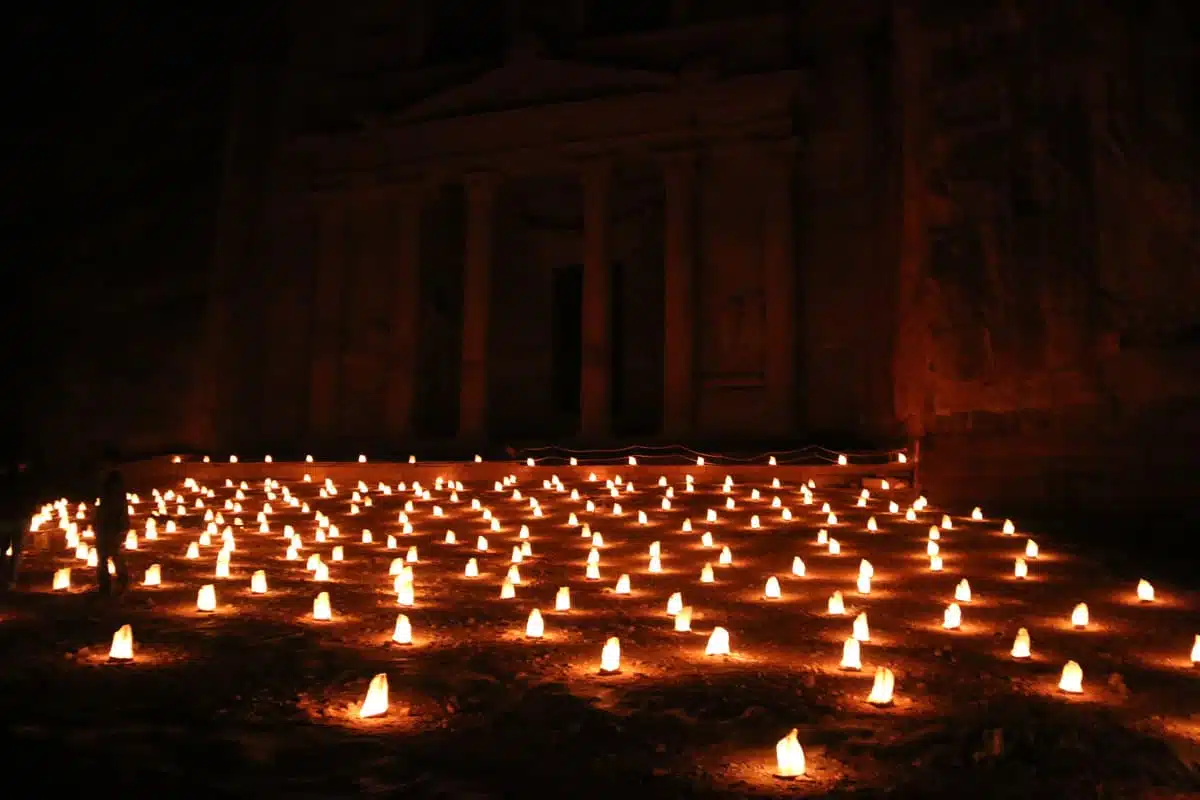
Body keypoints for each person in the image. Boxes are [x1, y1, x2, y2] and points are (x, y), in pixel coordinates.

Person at [94, 454, 130, 596]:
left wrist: (122, 527)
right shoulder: (106, 482)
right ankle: (106, 585)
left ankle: (121, 581)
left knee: (114, 554)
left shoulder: (114, 481)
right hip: (105, 524)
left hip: (113, 525)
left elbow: (118, 506)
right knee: (104, 556)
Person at [0, 460, 31, 591]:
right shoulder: (24, 481)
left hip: (8, 519)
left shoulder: (4, 481)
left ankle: (6, 579)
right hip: (17, 519)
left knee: (3, 550)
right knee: (16, 551)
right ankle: (11, 580)